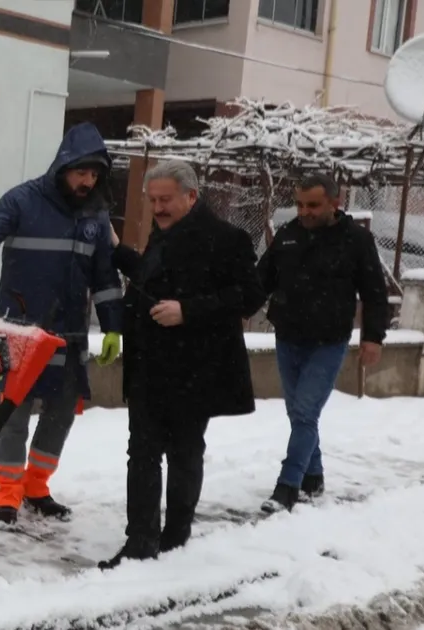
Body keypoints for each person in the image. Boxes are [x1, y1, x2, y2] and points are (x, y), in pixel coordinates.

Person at [0, 122, 124, 527]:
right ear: (64, 165)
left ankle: (36, 487)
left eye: (95, 175)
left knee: (61, 415)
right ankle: (7, 495)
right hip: (21, 334)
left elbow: (105, 277)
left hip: (70, 337)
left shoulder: (96, 216)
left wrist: (114, 325)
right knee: (13, 416)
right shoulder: (23, 200)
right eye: (82, 172)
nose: (88, 181)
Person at [98, 161, 264, 570]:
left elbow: (248, 297)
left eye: (166, 199)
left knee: (185, 453)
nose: (158, 208)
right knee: (142, 453)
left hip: (196, 369)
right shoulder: (162, 235)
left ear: (191, 195)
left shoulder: (228, 239)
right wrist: (119, 251)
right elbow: (152, 280)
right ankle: (140, 542)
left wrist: (188, 311)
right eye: (153, 201)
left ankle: (175, 537)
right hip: (150, 365)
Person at [255, 173, 389, 514]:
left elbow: (375, 292)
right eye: (300, 205)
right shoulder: (288, 235)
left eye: (313, 205)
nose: (305, 212)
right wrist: (233, 307)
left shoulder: (356, 240)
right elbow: (261, 279)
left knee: (304, 411)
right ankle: (313, 476)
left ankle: (287, 486)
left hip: (328, 341)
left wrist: (373, 337)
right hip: (288, 336)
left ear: (335, 202)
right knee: (298, 413)